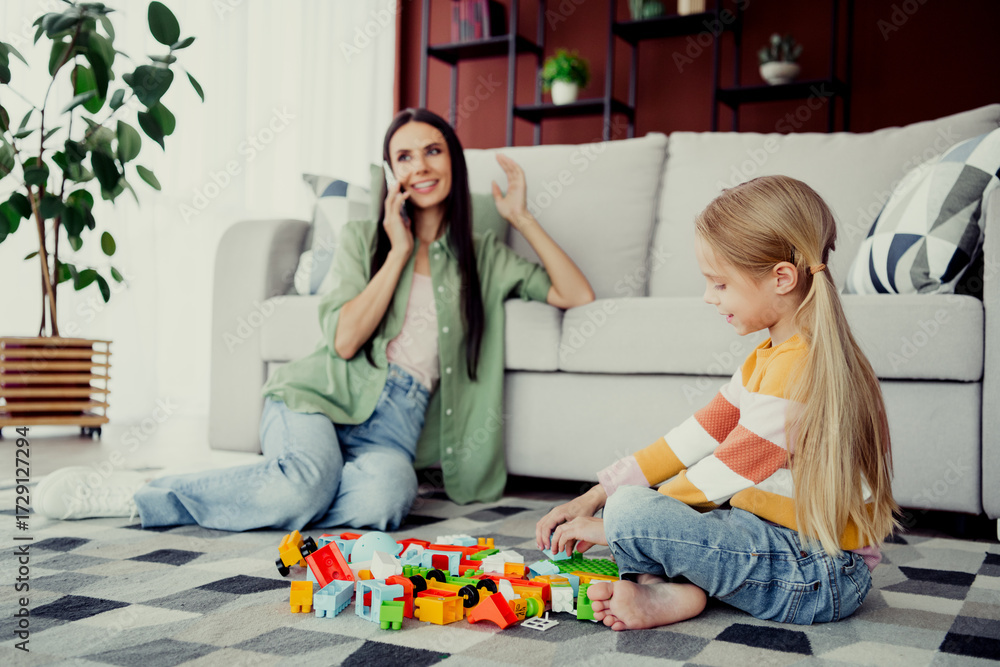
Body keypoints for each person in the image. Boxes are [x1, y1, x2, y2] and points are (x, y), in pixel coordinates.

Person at [36, 108, 595, 531]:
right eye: (404, 156)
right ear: (391, 172)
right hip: (318, 397)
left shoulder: (484, 257)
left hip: (393, 433)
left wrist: (520, 216)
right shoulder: (362, 240)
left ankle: (283, 492)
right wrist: (397, 250)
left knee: (384, 501)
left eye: (433, 151)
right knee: (306, 483)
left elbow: (575, 293)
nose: (420, 166)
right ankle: (141, 498)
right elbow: (347, 340)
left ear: (453, 159)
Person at [535, 175, 898, 629]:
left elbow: (721, 473)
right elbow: (687, 441)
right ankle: (672, 592)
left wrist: (618, 525)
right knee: (640, 505)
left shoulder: (799, 369)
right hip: (780, 545)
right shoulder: (767, 359)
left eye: (719, 284)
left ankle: (670, 583)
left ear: (781, 278)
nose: (709, 298)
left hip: (821, 576)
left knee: (637, 510)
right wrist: (594, 496)